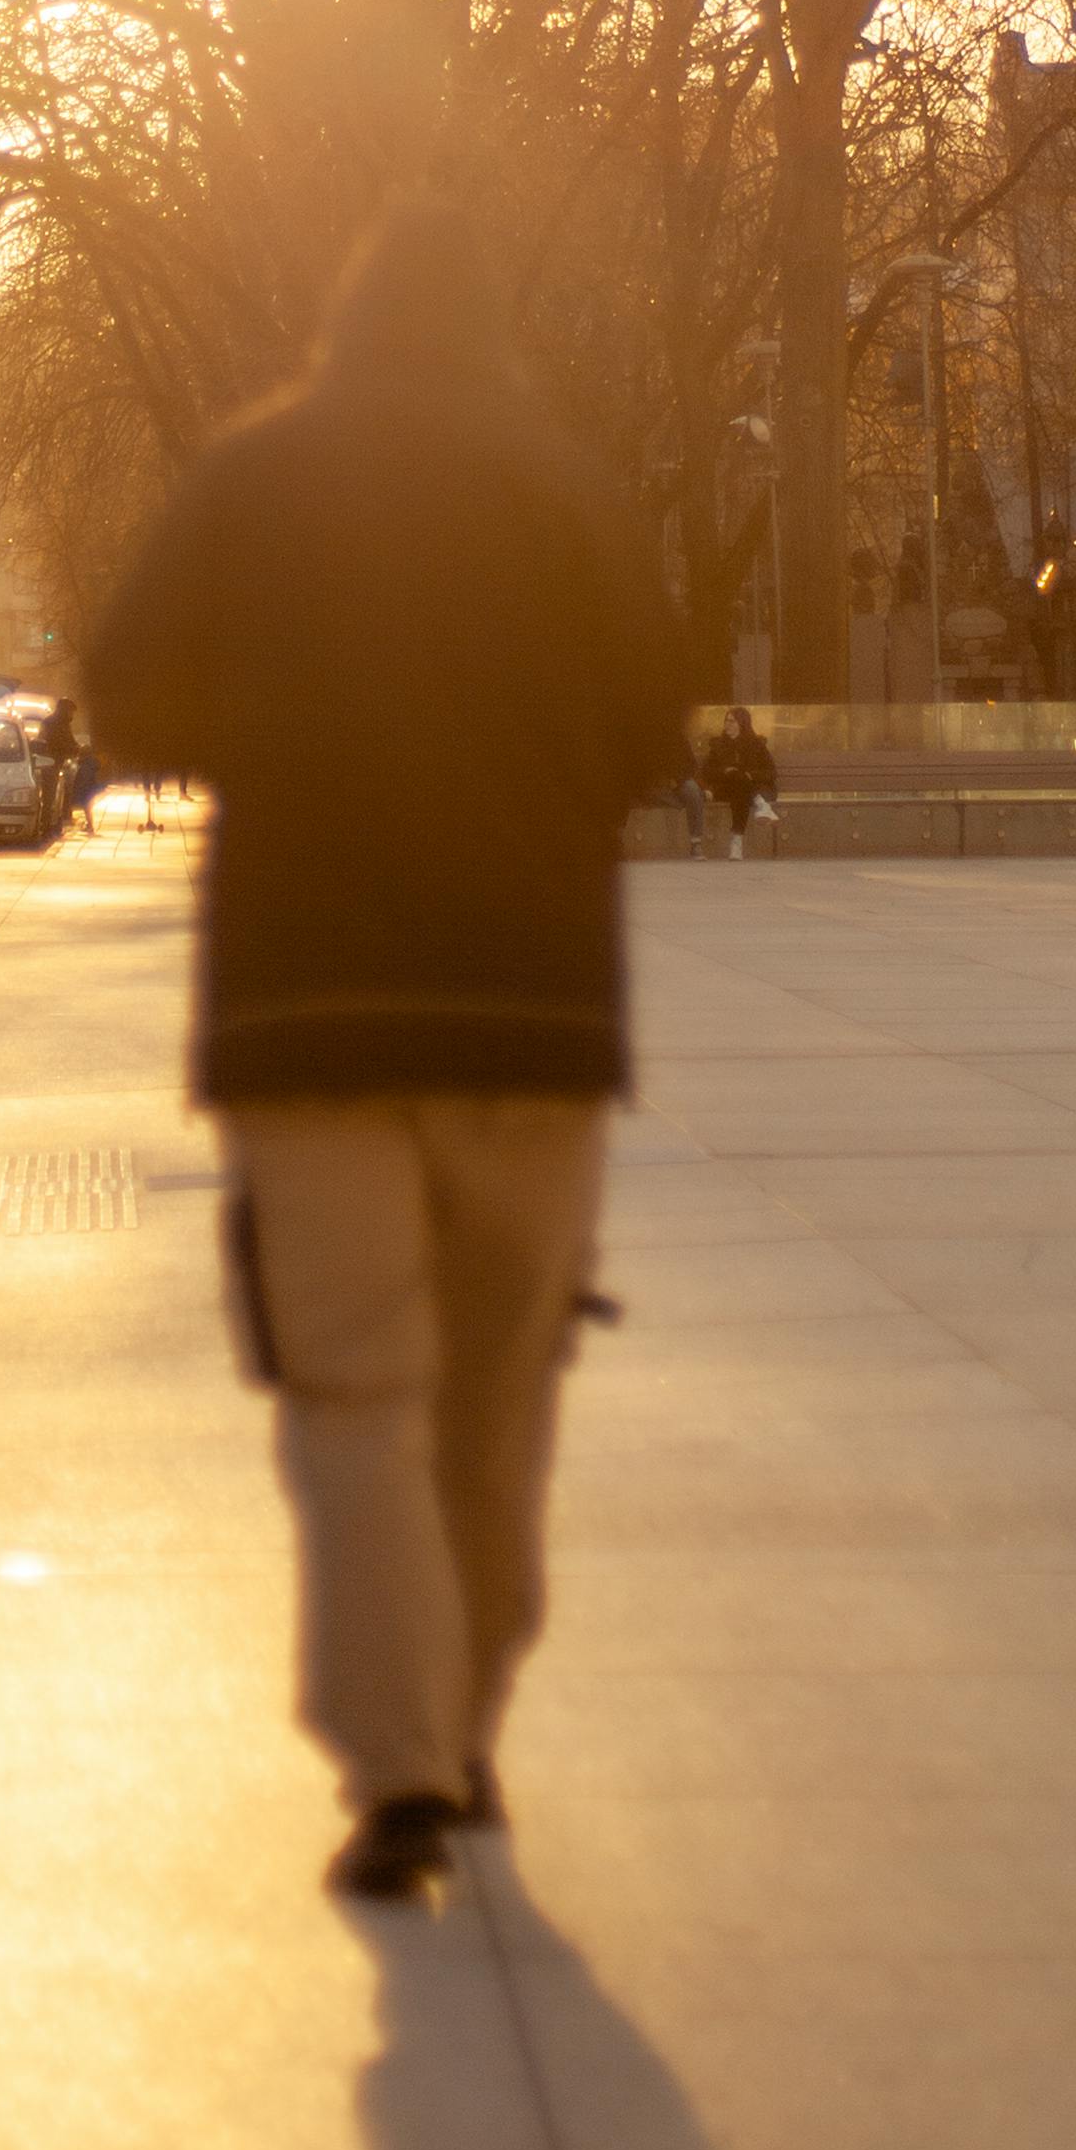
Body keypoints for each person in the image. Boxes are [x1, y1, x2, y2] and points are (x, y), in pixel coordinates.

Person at [86, 201, 691, 1907]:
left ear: (338, 328)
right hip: (534, 1018)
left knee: (353, 1395)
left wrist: (279, 737)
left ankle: (397, 1764)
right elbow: (652, 725)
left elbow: (122, 696)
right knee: (498, 1410)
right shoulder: (565, 489)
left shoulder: (250, 476)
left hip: (309, 1012)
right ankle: (468, 1718)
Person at [704, 700, 777, 860]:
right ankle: (760, 805)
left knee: (740, 782)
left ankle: (736, 842)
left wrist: (751, 775)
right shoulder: (718, 745)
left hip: (745, 790)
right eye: (726, 721)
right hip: (724, 789)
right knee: (737, 778)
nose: (727, 724)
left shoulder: (756, 744)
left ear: (742, 724)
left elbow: (770, 772)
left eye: (732, 721)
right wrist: (724, 771)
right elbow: (706, 771)